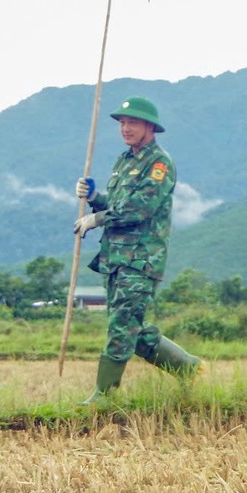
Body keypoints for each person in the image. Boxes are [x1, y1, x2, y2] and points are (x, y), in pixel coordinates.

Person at [74, 96, 202, 404]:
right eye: (122, 123)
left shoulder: (159, 164)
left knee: (121, 327)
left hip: (140, 261)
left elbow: (138, 210)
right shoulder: (124, 161)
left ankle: (104, 397)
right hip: (115, 259)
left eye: (133, 123)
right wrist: (95, 198)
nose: (126, 128)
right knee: (132, 328)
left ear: (149, 127)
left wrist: (95, 219)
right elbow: (118, 205)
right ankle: (189, 369)